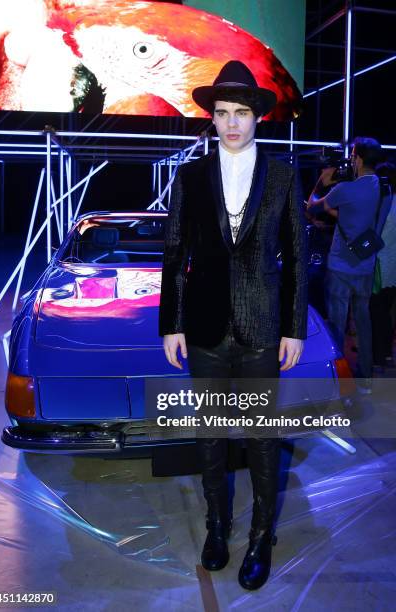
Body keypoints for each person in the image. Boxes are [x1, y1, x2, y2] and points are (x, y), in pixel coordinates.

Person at [159, 61, 308, 590]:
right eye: (222, 113)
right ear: (213, 118)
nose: (231, 123)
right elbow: (176, 253)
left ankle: (262, 535)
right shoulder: (192, 176)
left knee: (264, 441)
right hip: (203, 329)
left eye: (241, 112)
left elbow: (296, 255)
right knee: (210, 438)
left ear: (257, 117)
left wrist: (294, 328)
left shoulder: (285, 175)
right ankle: (217, 529)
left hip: (263, 328)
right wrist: (170, 323)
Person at [307, 137, 391, 393]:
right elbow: (360, 216)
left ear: (358, 158)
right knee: (363, 321)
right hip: (366, 264)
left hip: (341, 266)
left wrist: (323, 180)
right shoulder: (384, 189)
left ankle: (336, 382)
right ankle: (365, 379)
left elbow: (313, 206)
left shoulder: (346, 190)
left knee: (336, 323)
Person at [370, 162, 396, 369]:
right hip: (393, 266)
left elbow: (375, 233)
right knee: (386, 312)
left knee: (377, 312)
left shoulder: (383, 203)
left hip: (380, 264)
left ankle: (378, 356)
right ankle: (386, 353)